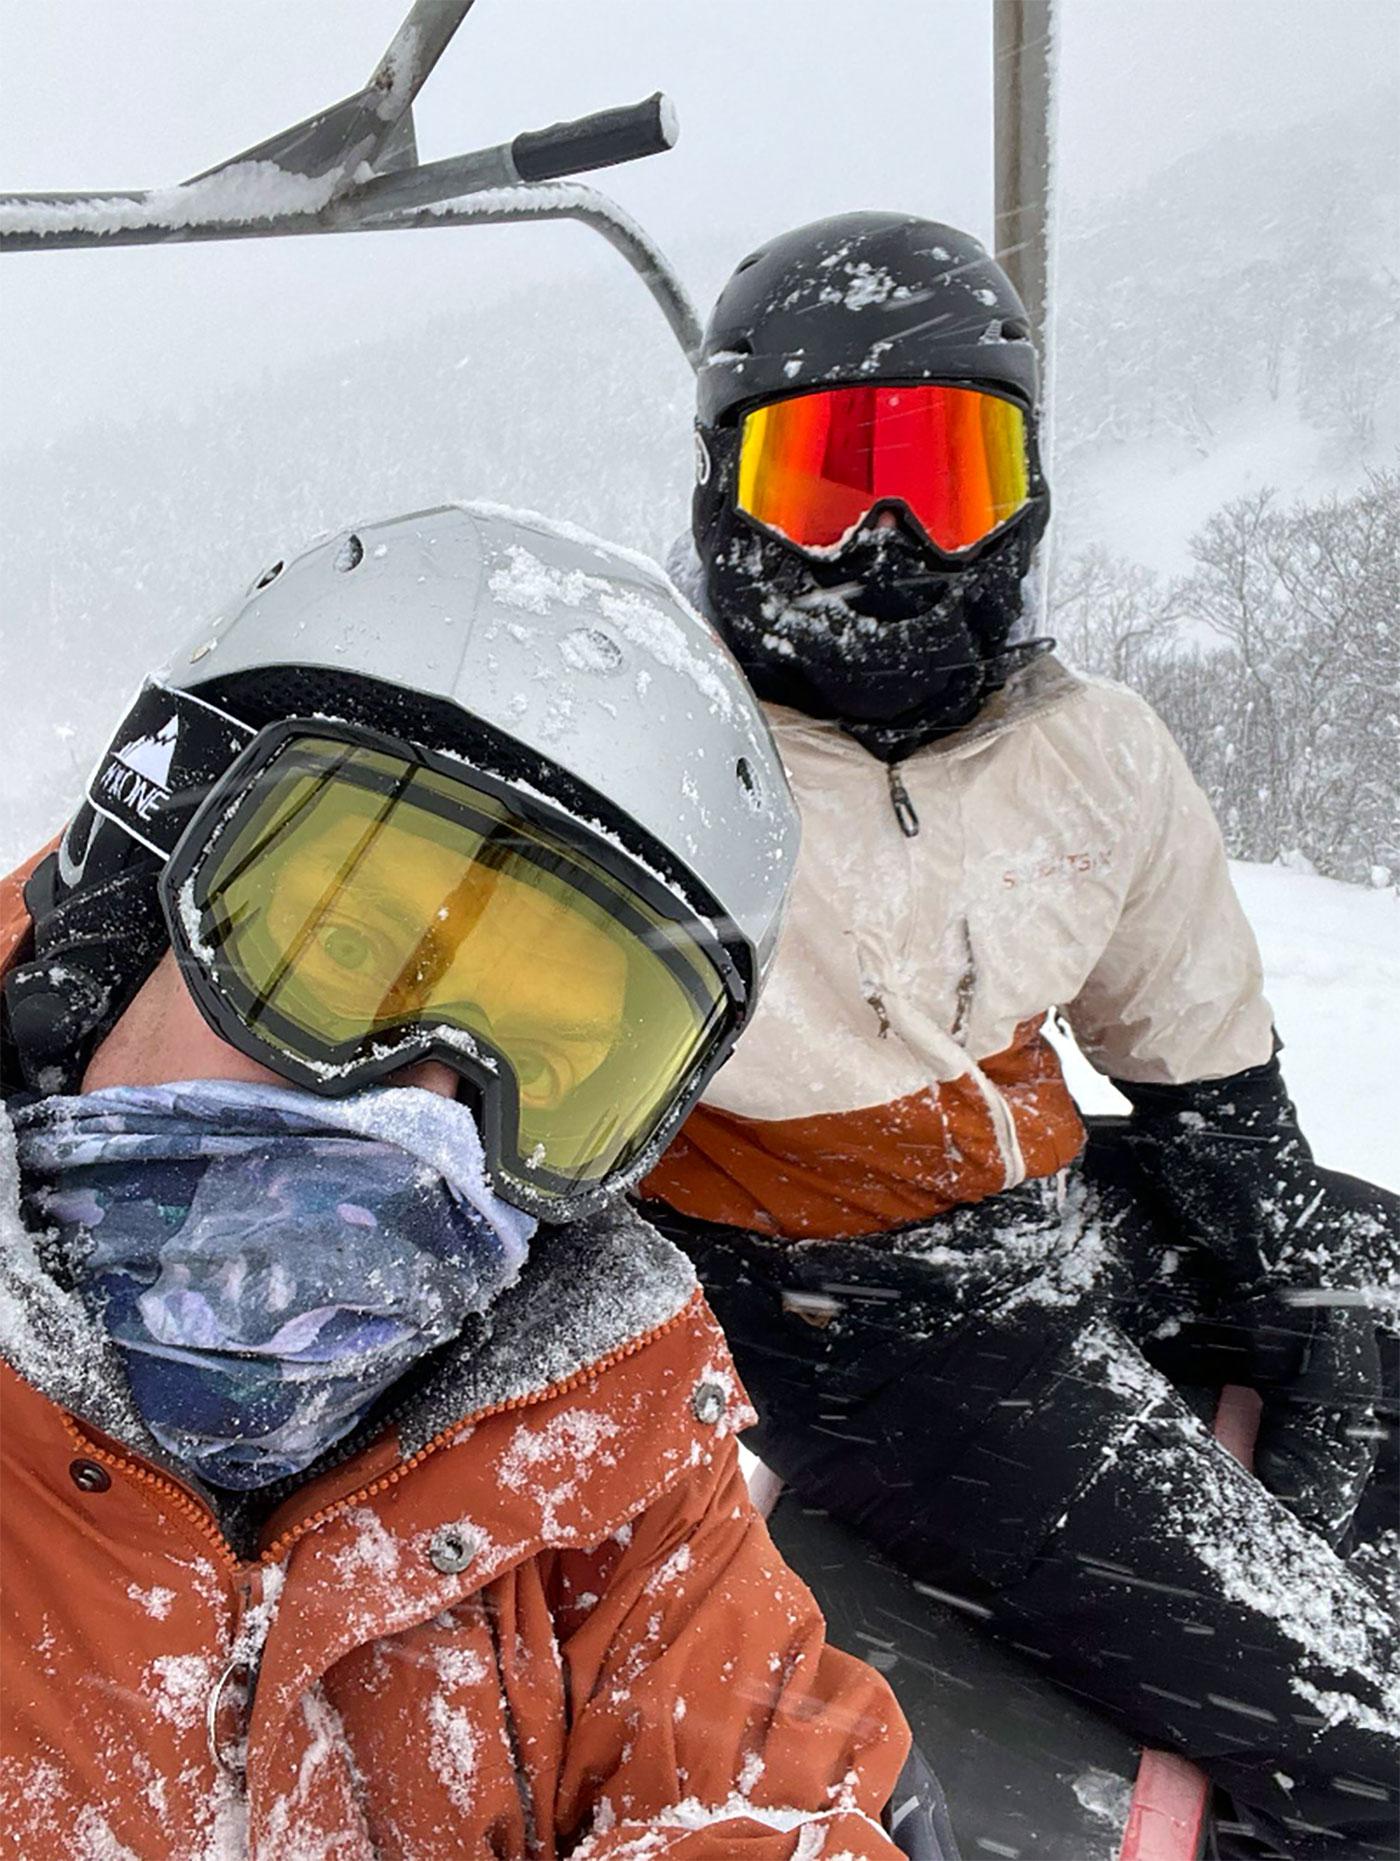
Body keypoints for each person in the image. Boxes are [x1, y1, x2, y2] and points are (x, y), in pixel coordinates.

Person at [0, 503, 933, 1860]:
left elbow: (753, 1790)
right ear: (120, 917)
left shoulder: (594, 1439)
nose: (416, 1125)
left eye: (545, 1071)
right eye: (341, 956)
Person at [640, 213, 1400, 1856]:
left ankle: (1295, 1599)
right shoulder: (666, 775)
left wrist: (1299, 1276)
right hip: (854, 1335)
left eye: (948, 475)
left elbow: (1203, 1067)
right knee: (1369, 1743)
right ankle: (1319, 1710)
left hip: (1047, 1210)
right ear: (727, 498)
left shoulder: (1087, 751)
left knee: (1375, 1269)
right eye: (824, 484)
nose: (889, 543)